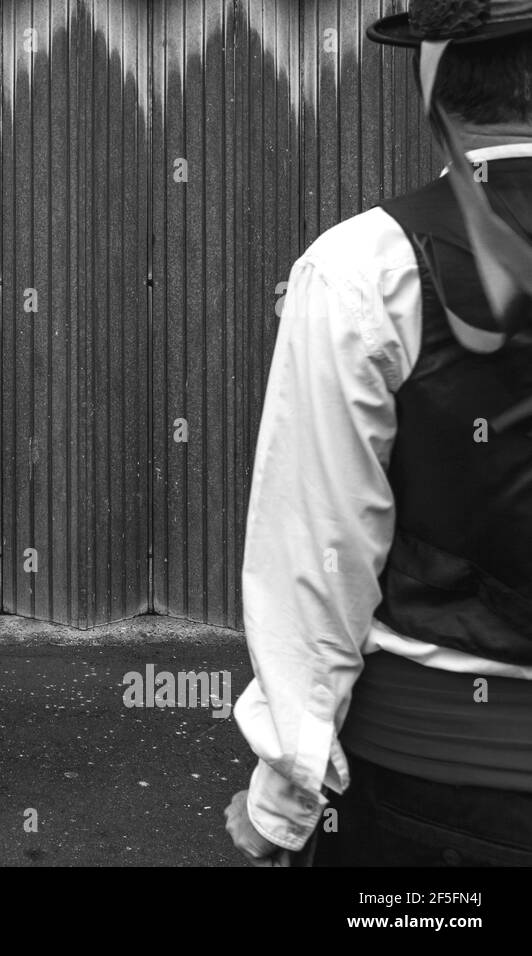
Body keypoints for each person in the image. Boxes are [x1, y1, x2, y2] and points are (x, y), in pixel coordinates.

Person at [225, 0, 532, 866]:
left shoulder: (363, 264)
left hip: (443, 789)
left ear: (430, 89)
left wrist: (285, 796)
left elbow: (318, 552)